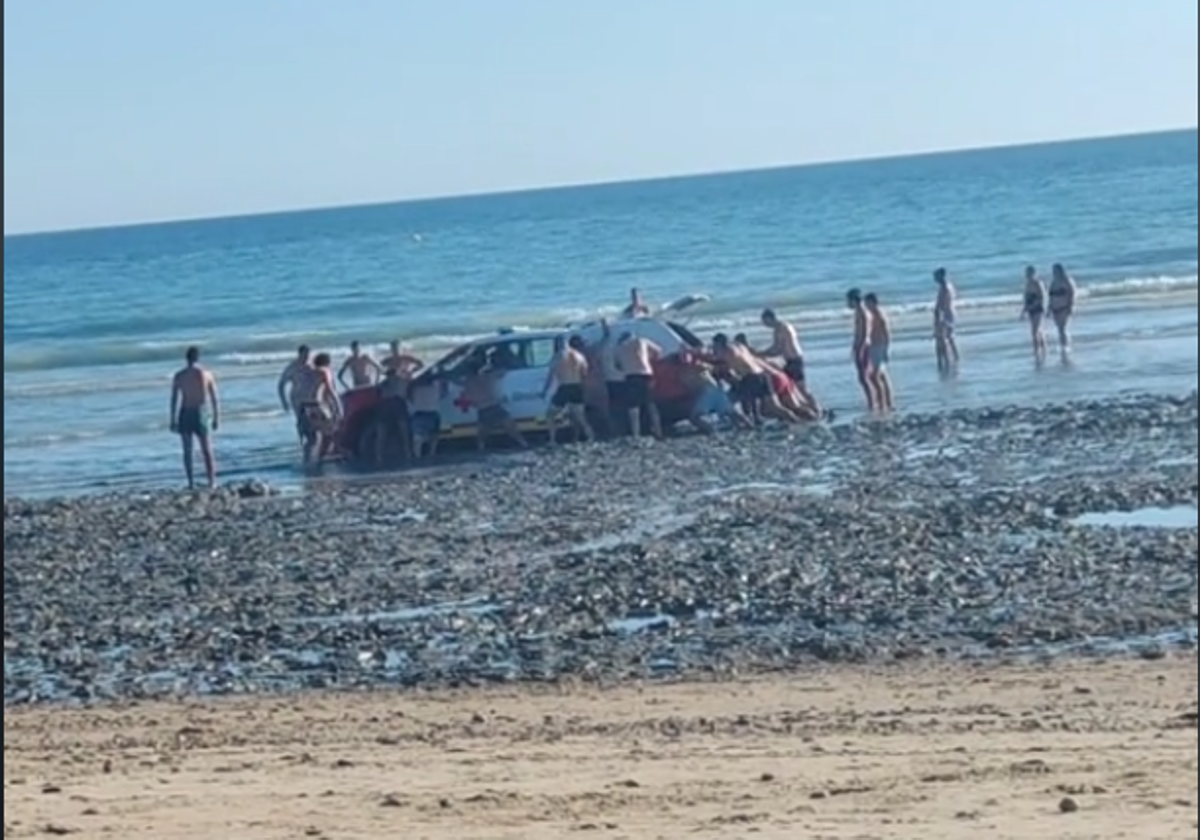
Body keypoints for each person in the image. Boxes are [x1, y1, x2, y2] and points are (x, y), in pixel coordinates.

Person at [708, 333, 802, 424]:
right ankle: (795, 419)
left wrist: (701, 356)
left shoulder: (728, 351)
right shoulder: (739, 346)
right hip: (762, 375)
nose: (715, 347)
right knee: (773, 407)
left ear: (720, 344)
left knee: (740, 399)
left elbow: (716, 360)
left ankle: (747, 422)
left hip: (751, 378)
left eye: (715, 345)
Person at [169, 346, 220, 490]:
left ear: (186, 359)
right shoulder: (206, 374)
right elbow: (214, 398)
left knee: (187, 450)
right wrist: (217, 416)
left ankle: (191, 482)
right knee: (207, 450)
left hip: (185, 412)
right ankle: (212, 481)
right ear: (198, 358)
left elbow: (174, 399)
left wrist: (172, 418)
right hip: (201, 411)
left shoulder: (179, 376)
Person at [461, 353, 527, 452]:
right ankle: (524, 444)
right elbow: (503, 372)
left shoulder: (467, 382)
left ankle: (480, 448)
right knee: (511, 429)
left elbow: (467, 398)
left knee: (482, 434)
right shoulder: (488, 377)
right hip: (495, 406)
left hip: (482, 409)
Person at [542, 335, 595, 444]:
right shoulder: (579, 356)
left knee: (550, 414)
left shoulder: (557, 356)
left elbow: (551, 376)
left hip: (565, 388)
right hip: (577, 386)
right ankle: (591, 437)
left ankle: (552, 440)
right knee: (580, 416)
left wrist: (544, 390)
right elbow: (585, 373)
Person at [294, 353, 342, 464]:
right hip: (316, 406)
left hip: (303, 407)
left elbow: (298, 391)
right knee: (330, 433)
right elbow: (331, 391)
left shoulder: (306, 373)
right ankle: (320, 459)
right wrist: (339, 408)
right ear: (327, 363)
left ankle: (306, 462)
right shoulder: (324, 371)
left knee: (312, 439)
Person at [615, 332, 664, 439]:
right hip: (646, 374)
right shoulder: (641, 340)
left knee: (633, 407)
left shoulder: (619, 347)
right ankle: (659, 432)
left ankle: (636, 434)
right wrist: (647, 358)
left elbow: (618, 365)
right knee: (651, 404)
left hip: (631, 376)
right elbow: (658, 351)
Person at [846, 289, 878, 412]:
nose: (847, 304)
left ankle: (872, 403)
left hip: (863, 347)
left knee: (864, 377)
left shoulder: (863, 313)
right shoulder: (859, 312)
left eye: (849, 301)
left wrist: (860, 349)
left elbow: (865, 333)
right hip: (861, 346)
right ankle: (872, 401)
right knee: (863, 377)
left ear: (854, 300)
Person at [596, 320, 629, 437]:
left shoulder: (602, 346)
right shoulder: (617, 345)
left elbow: (598, 363)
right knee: (624, 406)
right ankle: (623, 430)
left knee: (614, 406)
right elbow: (620, 364)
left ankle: (616, 431)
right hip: (620, 378)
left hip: (609, 379)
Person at [863, 293, 895, 412]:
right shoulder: (872, 314)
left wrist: (886, 349)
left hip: (879, 347)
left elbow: (887, 333)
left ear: (872, 302)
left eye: (867, 303)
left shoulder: (879, 314)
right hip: (874, 346)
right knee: (881, 375)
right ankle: (887, 401)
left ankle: (884, 402)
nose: (866, 305)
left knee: (875, 375)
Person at [277, 345, 312, 442]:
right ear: (299, 354)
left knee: (312, 420)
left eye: (308, 355)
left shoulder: (311, 366)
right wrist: (284, 401)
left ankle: (312, 439)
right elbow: (281, 384)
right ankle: (303, 440)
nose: (306, 358)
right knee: (301, 420)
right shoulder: (292, 367)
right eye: (304, 355)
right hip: (297, 398)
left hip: (310, 397)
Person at [407, 375, 446, 460]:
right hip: (432, 413)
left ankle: (417, 456)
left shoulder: (416, 389)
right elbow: (443, 395)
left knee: (417, 438)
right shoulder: (435, 389)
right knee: (434, 436)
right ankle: (431, 453)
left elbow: (410, 397)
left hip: (419, 413)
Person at [932, 267, 961, 373]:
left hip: (946, 315)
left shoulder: (945, 288)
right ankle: (955, 357)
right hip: (950, 313)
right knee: (950, 337)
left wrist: (939, 316)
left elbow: (942, 304)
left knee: (943, 339)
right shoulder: (948, 286)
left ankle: (948, 360)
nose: (934, 278)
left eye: (936, 276)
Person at [1048, 262, 1077, 356]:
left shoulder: (1067, 281)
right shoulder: (1053, 282)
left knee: (1063, 327)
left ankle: (1066, 346)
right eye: (1053, 271)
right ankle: (1062, 345)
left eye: (1055, 270)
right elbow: (1050, 296)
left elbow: (1072, 294)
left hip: (1065, 307)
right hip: (1055, 308)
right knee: (1059, 328)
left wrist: (1071, 306)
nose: (1054, 272)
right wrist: (1049, 308)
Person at [1020, 265, 1048, 361]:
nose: (1027, 275)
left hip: (1038, 308)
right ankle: (1042, 348)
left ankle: (1037, 350)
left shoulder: (1037, 283)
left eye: (1028, 273)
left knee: (1035, 331)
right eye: (1026, 273)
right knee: (1038, 331)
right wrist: (1023, 311)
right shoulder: (1027, 284)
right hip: (1031, 309)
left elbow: (1042, 296)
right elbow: (1026, 299)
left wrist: (1041, 306)